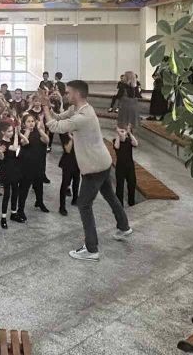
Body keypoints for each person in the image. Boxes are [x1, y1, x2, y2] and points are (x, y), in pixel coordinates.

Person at [46, 80, 132, 262]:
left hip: (94, 167)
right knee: (110, 196)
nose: (65, 95)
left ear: (76, 94)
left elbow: (55, 126)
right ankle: (124, 227)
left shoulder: (83, 117)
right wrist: (48, 106)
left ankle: (91, 249)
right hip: (103, 162)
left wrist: (44, 109)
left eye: (68, 92)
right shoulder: (79, 109)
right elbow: (58, 117)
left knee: (84, 205)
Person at [15, 114, 50, 217]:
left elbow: (47, 140)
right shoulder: (22, 133)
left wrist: (39, 129)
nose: (31, 123)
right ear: (24, 124)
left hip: (38, 164)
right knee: (24, 188)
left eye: (32, 121)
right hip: (26, 166)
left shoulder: (39, 132)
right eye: (28, 121)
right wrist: (27, 131)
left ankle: (39, 202)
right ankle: (20, 209)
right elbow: (23, 142)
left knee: (39, 185)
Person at [0, 122, 21, 226]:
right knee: (7, 194)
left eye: (12, 131)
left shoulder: (10, 141)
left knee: (15, 191)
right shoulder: (2, 143)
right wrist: (16, 134)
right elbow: (14, 148)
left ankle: (14, 213)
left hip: (14, 169)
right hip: (6, 171)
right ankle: (3, 217)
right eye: (9, 131)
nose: (11, 133)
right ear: (3, 132)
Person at [114, 124, 139, 207]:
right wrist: (118, 134)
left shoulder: (129, 141)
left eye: (123, 131)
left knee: (132, 184)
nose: (122, 133)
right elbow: (117, 147)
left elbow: (136, 144)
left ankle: (131, 202)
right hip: (120, 167)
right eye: (121, 131)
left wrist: (129, 133)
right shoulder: (116, 140)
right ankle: (119, 204)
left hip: (130, 166)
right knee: (120, 186)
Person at [58, 133, 80, 216]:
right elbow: (67, 149)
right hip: (67, 162)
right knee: (65, 184)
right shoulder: (65, 134)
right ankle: (62, 207)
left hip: (77, 162)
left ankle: (75, 199)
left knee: (76, 181)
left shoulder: (78, 133)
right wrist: (72, 139)